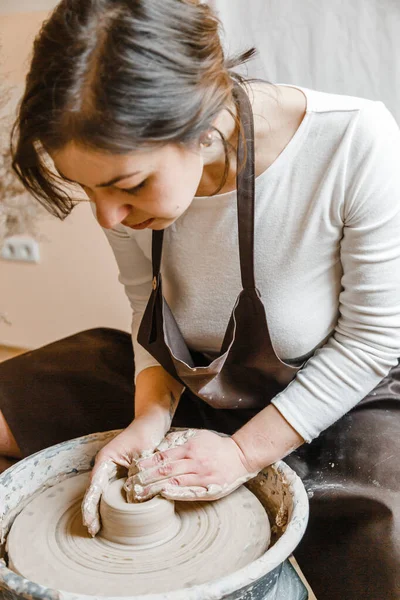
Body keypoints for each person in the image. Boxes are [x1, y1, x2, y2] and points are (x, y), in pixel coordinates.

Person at [1, 0, 400, 597]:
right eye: (87, 190)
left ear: (203, 114)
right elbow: (147, 310)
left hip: (337, 392)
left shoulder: (352, 140)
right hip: (192, 377)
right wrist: (149, 417)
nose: (109, 214)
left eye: (127, 186)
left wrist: (241, 456)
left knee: (383, 542)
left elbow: (371, 342)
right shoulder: (121, 194)